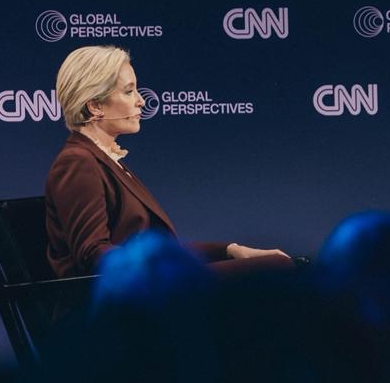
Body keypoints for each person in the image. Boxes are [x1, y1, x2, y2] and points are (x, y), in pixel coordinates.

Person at [45, 45, 290, 279]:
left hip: (148, 290)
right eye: (129, 91)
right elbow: (93, 254)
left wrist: (230, 250)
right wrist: (166, 271)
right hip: (123, 303)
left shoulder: (104, 159)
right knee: (276, 267)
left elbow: (161, 251)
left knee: (273, 265)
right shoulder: (78, 162)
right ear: (95, 106)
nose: (141, 101)